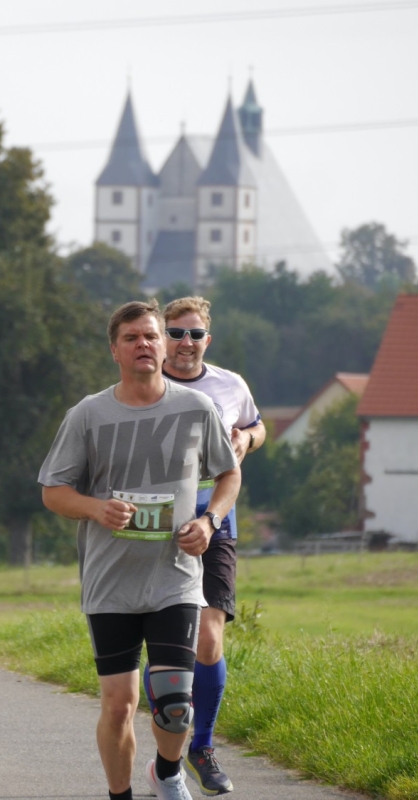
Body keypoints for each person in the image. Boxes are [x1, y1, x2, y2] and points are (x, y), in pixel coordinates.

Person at [38, 300, 240, 800]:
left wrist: (209, 520)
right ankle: (119, 794)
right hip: (110, 581)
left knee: (175, 702)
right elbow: (53, 491)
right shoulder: (87, 415)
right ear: (115, 351)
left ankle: (168, 773)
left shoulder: (196, 409)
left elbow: (229, 473)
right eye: (132, 338)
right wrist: (94, 508)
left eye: (152, 336)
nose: (145, 345)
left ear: (163, 344)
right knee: (118, 703)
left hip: (174, 576)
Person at [157, 296, 266, 796]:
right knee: (168, 646)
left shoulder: (230, 384)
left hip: (215, 517)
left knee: (208, 638)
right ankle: (168, 747)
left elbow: (257, 424)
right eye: (175, 333)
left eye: (194, 334)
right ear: (162, 337)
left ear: (208, 339)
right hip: (155, 523)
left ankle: (200, 745)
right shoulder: (145, 381)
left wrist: (247, 439)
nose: (185, 343)